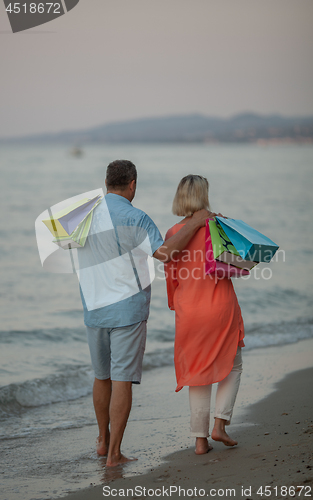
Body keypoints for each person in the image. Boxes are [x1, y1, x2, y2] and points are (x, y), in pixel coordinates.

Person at [77, 161, 214, 467]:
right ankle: (114, 455)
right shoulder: (137, 217)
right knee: (122, 379)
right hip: (127, 309)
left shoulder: (84, 216)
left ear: (106, 182)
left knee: (102, 377)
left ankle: (102, 442)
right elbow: (164, 254)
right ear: (133, 184)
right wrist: (194, 224)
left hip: (94, 307)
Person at [164, 174, 245, 455]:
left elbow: (171, 278)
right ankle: (219, 425)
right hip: (220, 305)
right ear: (204, 196)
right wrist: (228, 226)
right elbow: (240, 264)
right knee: (232, 365)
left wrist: (178, 305)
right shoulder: (218, 226)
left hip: (190, 312)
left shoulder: (173, 233)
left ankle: (200, 442)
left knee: (197, 372)